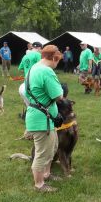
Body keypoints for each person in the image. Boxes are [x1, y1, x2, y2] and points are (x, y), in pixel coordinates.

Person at [25, 45, 63, 192]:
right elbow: (58, 95)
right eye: (57, 60)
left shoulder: (34, 68)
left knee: (51, 148)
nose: (57, 63)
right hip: (42, 120)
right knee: (42, 153)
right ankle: (39, 184)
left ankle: (46, 174)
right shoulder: (46, 71)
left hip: (42, 117)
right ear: (53, 58)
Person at [18, 42, 42, 106]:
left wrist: (27, 70)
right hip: (35, 82)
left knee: (28, 105)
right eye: (41, 49)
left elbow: (20, 69)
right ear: (39, 48)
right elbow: (41, 67)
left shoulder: (25, 56)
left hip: (26, 82)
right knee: (36, 104)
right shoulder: (38, 55)